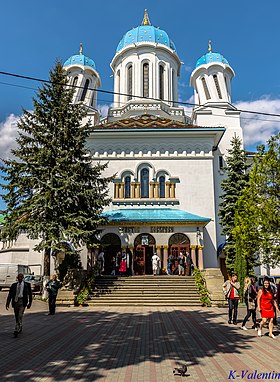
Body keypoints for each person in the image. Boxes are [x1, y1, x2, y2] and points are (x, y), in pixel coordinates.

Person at [5, 273, 32, 337]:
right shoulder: (14, 285)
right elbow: (10, 295)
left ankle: (16, 329)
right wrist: (7, 303)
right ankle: (20, 325)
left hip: (22, 302)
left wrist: (30, 303)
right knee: (17, 316)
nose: (20, 278)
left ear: (23, 278)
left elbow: (30, 295)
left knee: (20, 315)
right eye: (19, 277)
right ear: (17, 278)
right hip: (15, 302)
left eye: (21, 277)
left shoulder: (27, 285)